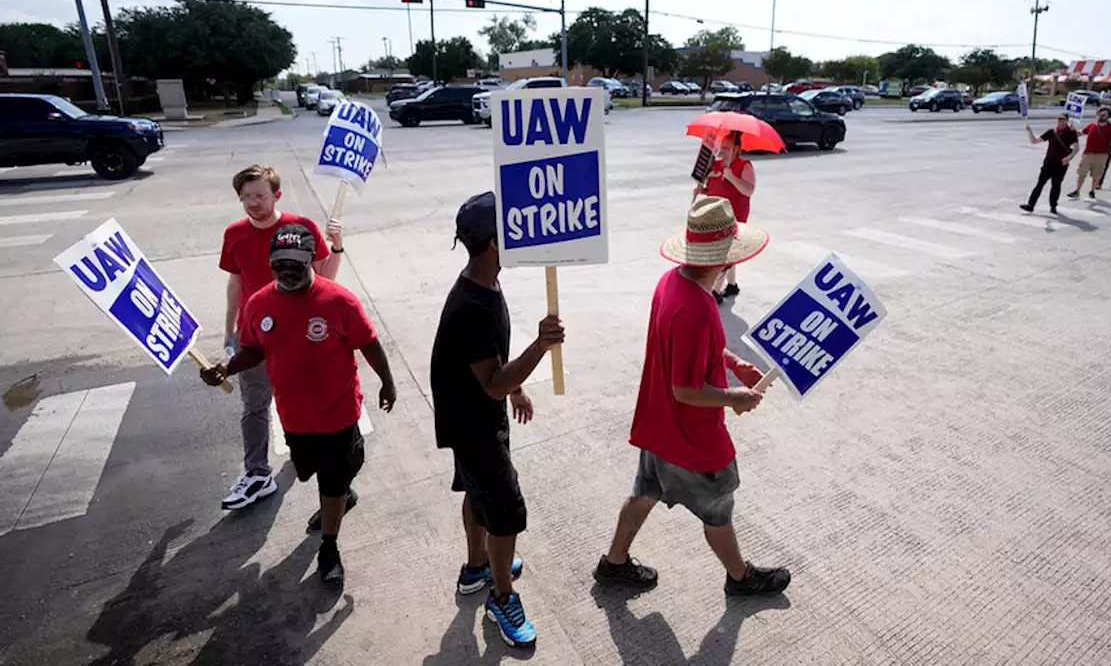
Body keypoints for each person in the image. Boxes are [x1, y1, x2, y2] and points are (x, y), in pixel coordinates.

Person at [592, 195, 791, 598]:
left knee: (644, 492)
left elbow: (692, 349)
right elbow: (685, 390)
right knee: (718, 505)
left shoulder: (672, 283)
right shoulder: (698, 308)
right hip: (690, 435)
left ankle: (613, 563)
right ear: (726, 257)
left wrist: (734, 362)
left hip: (658, 425)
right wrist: (733, 396)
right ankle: (740, 578)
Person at [200, 224, 396, 584]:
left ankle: (329, 546)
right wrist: (225, 367)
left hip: (339, 413)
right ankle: (340, 492)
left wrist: (387, 382)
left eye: (296, 263)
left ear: (311, 260)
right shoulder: (258, 304)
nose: (287, 271)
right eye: (279, 264)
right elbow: (253, 350)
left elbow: (368, 342)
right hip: (294, 417)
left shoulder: (340, 301)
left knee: (332, 480)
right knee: (310, 470)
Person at [429, 191, 565, 649]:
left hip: (471, 415)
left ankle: (476, 568)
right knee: (505, 513)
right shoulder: (471, 305)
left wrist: (517, 386)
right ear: (492, 243)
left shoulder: (485, 280)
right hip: (475, 424)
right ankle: (501, 596)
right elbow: (490, 381)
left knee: (477, 494)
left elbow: (489, 363)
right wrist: (540, 348)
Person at [217, 165, 343, 511]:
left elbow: (325, 276)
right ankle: (257, 474)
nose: (251, 203)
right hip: (255, 334)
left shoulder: (301, 228)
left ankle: (329, 472)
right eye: (245, 197)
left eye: (258, 195)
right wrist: (229, 330)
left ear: (276, 195)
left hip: (300, 332)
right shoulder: (234, 234)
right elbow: (235, 282)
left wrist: (337, 247)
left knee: (310, 402)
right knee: (254, 405)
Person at [699, 132, 756, 304]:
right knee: (728, 253)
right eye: (721, 146)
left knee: (723, 254)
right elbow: (712, 188)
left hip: (734, 217)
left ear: (737, 149)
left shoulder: (744, 166)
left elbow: (749, 190)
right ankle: (732, 285)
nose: (723, 150)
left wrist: (732, 177)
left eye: (727, 147)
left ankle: (715, 290)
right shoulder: (716, 164)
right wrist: (701, 190)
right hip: (716, 215)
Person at [1020, 114, 1080, 215]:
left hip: (1061, 164)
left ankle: (1053, 206)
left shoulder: (1071, 133)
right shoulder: (1052, 132)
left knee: (1056, 185)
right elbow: (1034, 141)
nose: (1060, 121)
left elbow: (1076, 148)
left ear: (1067, 121)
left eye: (1063, 119)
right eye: (1059, 119)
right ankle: (1030, 205)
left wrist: (1069, 158)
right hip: (1048, 162)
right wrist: (1029, 132)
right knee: (1039, 184)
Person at [1068, 106, 1111, 200]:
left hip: (1102, 155)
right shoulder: (1091, 125)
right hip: (1088, 153)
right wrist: (1072, 130)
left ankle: (1092, 190)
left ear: (1108, 116)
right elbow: (1080, 133)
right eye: (1100, 113)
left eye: (1105, 114)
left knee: (1097, 175)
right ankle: (1077, 191)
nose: (1102, 115)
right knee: (1081, 172)